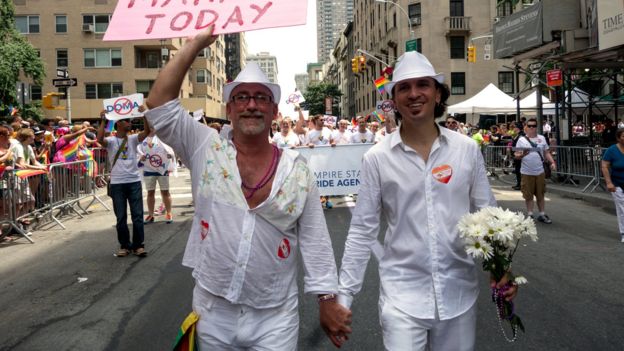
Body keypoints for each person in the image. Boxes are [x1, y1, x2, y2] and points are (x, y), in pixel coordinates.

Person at [144, 26, 348, 350]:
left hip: (275, 316)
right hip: (213, 312)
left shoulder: (297, 169)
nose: (251, 104)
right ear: (229, 109)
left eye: (261, 98)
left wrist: (326, 298)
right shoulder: (204, 147)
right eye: (242, 97)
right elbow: (158, 104)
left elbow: (314, 237)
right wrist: (196, 43)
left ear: (273, 112)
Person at [329, 51, 516, 350]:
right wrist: (344, 297)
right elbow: (362, 230)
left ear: (438, 93)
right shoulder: (377, 158)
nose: (414, 94)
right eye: (404, 87)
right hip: (402, 297)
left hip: (459, 295)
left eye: (423, 85)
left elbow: (488, 213)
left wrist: (502, 270)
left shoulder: (466, 149)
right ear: (394, 98)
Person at [97, 112, 150, 257]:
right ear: (118, 124)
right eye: (126, 121)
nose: (129, 123)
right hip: (117, 184)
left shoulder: (133, 139)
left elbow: (147, 131)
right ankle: (125, 245)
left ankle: (138, 245)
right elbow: (99, 139)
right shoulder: (111, 141)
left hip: (133, 181)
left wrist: (144, 115)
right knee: (121, 217)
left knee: (137, 216)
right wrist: (103, 121)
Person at [514, 118, 556, 223]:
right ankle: (530, 214)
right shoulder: (521, 140)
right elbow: (516, 155)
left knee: (540, 194)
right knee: (528, 195)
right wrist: (522, 154)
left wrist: (552, 162)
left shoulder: (542, 138)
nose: (532, 128)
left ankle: (542, 214)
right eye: (529, 126)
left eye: (534, 126)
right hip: (526, 172)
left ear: (537, 127)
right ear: (526, 127)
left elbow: (546, 152)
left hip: (539, 171)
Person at [601, 128, 624, 243]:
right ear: (618, 138)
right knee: (622, 209)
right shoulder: (612, 150)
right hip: (618, 184)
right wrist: (609, 182)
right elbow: (604, 166)